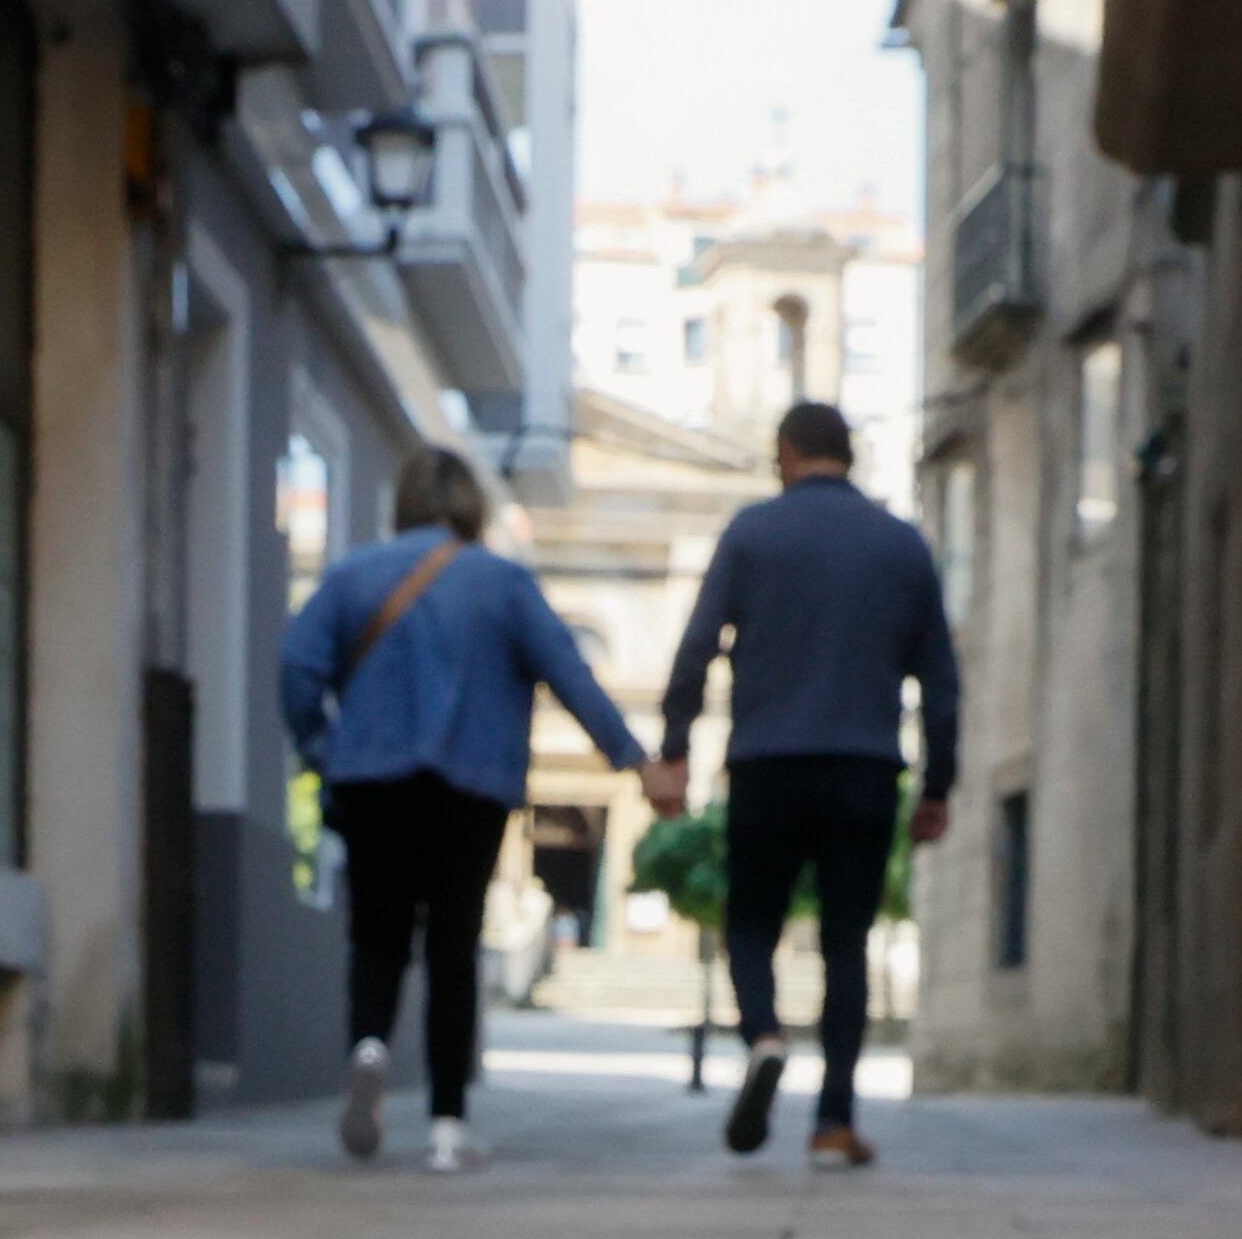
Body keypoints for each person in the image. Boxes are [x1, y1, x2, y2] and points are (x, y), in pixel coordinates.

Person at [279, 444, 651, 1172]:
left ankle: (369, 1049)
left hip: (371, 778)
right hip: (469, 786)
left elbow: (298, 666)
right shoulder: (503, 582)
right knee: (455, 947)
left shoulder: (352, 575)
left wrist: (326, 749)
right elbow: (567, 671)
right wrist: (632, 758)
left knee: (377, 934)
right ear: (472, 505)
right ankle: (448, 1128)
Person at [650, 401, 960, 1170]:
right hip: (864, 768)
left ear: (785, 452)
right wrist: (937, 786)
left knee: (751, 922)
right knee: (845, 944)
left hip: (767, 762)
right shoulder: (902, 544)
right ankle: (833, 1123)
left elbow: (695, 649)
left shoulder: (752, 533)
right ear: (848, 455)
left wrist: (676, 747)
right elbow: (942, 681)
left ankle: (762, 1035)